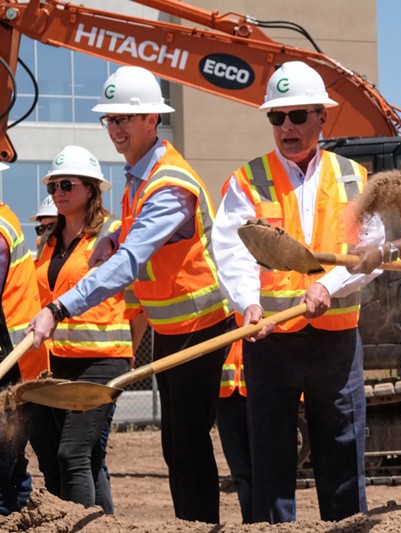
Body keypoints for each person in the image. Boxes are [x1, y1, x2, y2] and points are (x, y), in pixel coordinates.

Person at [26, 66, 233, 524]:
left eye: (126, 118)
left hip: (200, 326)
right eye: (111, 120)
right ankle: (191, 524)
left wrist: (60, 307)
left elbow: (132, 262)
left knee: (188, 447)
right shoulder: (141, 174)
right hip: (173, 329)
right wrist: (116, 234)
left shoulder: (168, 182)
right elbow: (135, 234)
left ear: (151, 120)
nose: (116, 129)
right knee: (176, 447)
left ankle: (199, 525)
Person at [211, 61, 384, 524]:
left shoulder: (353, 178)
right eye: (277, 117)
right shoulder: (246, 180)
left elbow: (370, 250)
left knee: (343, 452)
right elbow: (231, 248)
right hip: (270, 341)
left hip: (336, 339)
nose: (286, 126)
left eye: (298, 115)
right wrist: (247, 302)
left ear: (322, 118)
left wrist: (328, 285)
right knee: (270, 454)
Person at [31, 145, 131, 514]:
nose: (58, 192)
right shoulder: (49, 242)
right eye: (54, 186)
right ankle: (106, 524)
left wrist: (128, 352)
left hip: (104, 361)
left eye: (67, 184)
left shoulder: (113, 233)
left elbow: (133, 299)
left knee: (71, 452)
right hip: (60, 362)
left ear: (90, 189)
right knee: (89, 456)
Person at [0, 168, 49, 514]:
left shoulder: (1, 230)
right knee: (10, 462)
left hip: (10, 361)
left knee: (4, 457)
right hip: (13, 358)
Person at [217, 335, 252, 524]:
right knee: (240, 472)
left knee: (266, 468)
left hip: (261, 395)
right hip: (227, 396)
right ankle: (250, 524)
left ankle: (270, 524)